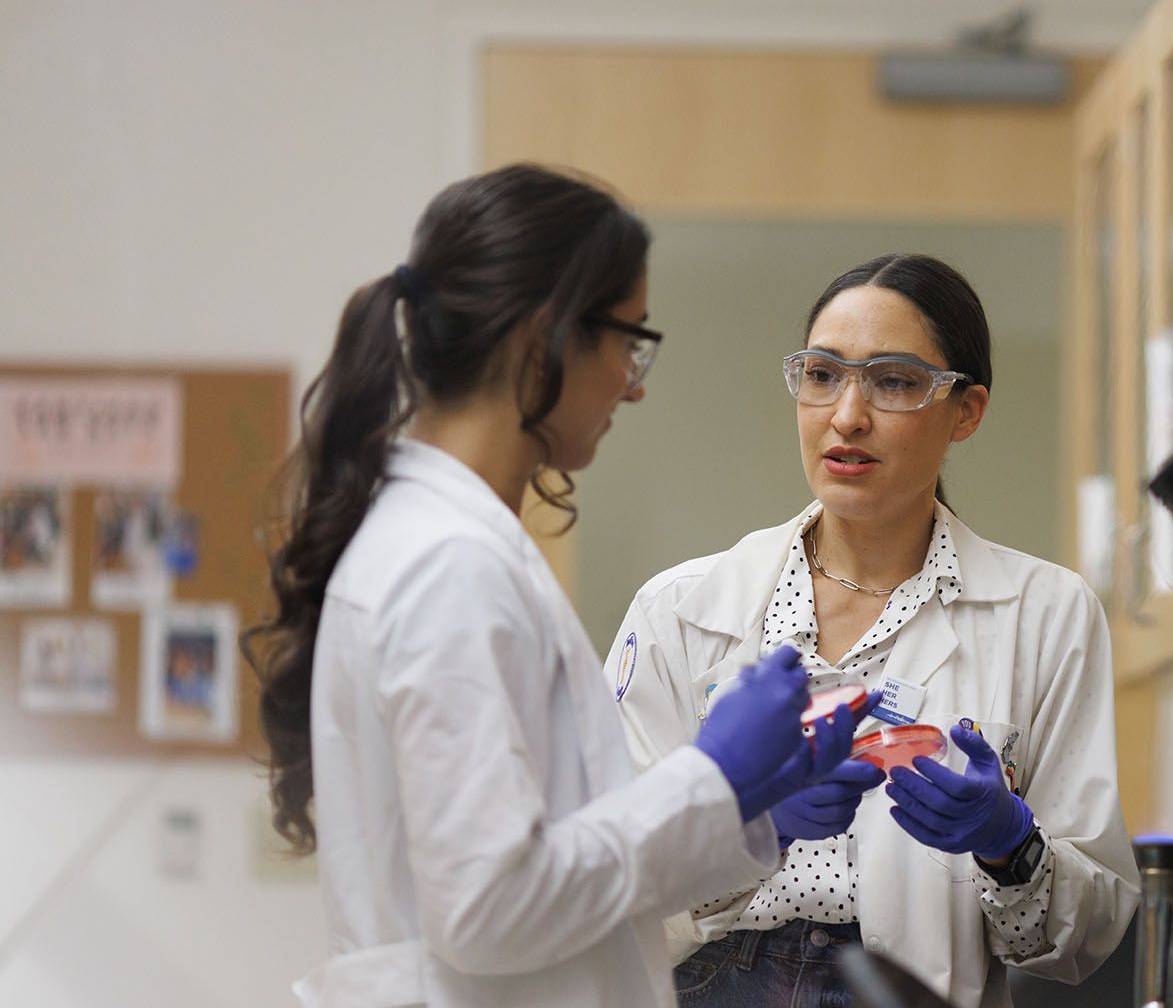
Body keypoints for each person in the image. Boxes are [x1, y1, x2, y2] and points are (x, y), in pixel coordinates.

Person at [246, 164, 865, 1008]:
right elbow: (489, 908)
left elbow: (548, 860)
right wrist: (713, 776)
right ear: (544, 337)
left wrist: (751, 804)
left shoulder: (447, 544)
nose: (634, 382)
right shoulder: (448, 566)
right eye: (627, 340)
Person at [605, 254, 1139, 1008]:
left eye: (892, 381)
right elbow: (607, 886)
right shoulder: (681, 610)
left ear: (967, 410)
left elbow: (1089, 937)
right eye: (822, 374)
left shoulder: (1046, 613)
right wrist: (739, 827)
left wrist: (1010, 844)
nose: (847, 415)